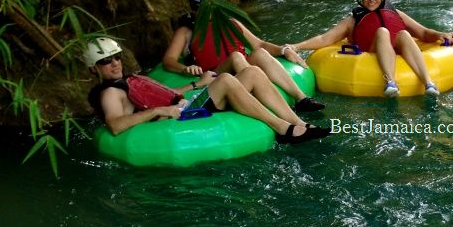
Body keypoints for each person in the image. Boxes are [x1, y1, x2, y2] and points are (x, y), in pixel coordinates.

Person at [86, 37, 331, 144]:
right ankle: (283, 129)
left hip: (187, 103)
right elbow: (116, 125)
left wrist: (197, 85)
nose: (115, 63)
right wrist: (161, 110)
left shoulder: (127, 80)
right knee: (225, 79)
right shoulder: (109, 93)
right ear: (94, 68)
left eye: (116, 57)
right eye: (106, 61)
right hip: (181, 116)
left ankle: (299, 122)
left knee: (253, 72)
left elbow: (165, 91)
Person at [284, 0, 453, 97]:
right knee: (382, 32)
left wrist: (440, 34)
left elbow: (424, 33)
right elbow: (325, 38)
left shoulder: (397, 13)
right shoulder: (352, 20)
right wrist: (296, 46)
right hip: (372, 51)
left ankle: (428, 83)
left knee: (403, 34)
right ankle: (390, 81)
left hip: (398, 49)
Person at [162, 0, 325, 112]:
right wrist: (184, 68)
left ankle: (301, 99)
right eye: (197, 9)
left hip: (242, 68)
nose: (200, 13)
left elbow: (259, 44)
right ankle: (262, 100)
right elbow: (169, 60)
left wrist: (284, 50)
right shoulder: (186, 31)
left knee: (260, 53)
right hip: (216, 75)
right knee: (236, 56)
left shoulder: (232, 23)